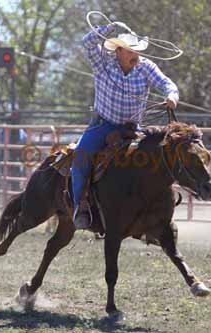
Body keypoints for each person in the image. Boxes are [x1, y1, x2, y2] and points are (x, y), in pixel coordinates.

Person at [71, 22, 179, 229]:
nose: (135, 54)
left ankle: (156, 212)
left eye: (137, 50)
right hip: (102, 126)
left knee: (157, 158)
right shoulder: (103, 62)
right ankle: (81, 207)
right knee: (81, 158)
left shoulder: (146, 67)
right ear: (118, 51)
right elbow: (87, 42)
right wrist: (108, 28)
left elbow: (167, 83)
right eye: (131, 50)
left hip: (132, 128)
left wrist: (171, 96)